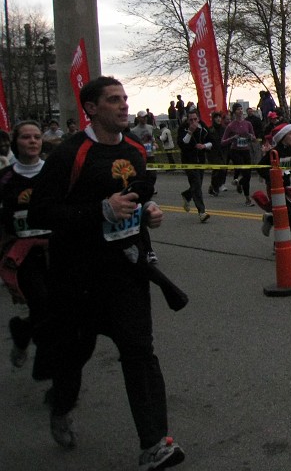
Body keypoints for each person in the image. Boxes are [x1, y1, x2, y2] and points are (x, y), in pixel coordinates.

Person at [27, 76, 184, 468]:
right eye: (114, 100)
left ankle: (155, 444)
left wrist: (149, 213)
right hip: (77, 278)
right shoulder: (70, 155)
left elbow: (141, 196)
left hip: (126, 273)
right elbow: (40, 213)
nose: (123, 105)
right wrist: (99, 211)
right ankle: (61, 407)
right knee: (73, 358)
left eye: (125, 99)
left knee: (140, 352)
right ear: (92, 108)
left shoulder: (134, 150)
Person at [1, 120, 53, 380]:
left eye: (36, 137)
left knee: (56, 309)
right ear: (16, 143)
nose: (32, 141)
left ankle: (22, 332)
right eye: (26, 137)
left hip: (55, 250)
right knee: (42, 305)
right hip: (23, 254)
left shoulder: (55, 173)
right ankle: (48, 369)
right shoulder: (5, 178)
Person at [258, 122, 291, 235]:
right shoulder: (274, 152)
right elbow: (260, 168)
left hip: (287, 187)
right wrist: (272, 177)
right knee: (286, 215)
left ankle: (271, 220)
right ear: (282, 136)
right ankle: (277, 242)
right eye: (290, 134)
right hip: (275, 188)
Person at [176, 109, 212, 223]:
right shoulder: (183, 128)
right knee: (196, 184)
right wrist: (190, 132)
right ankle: (202, 212)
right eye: (190, 120)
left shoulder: (204, 128)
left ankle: (187, 195)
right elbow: (182, 144)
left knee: (197, 184)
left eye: (195, 119)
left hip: (200, 161)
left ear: (199, 119)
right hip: (189, 161)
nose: (193, 122)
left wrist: (204, 146)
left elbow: (212, 142)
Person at [221, 103, 257, 207]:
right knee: (243, 170)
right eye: (238, 109)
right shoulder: (231, 125)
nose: (240, 111)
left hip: (245, 150)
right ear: (234, 112)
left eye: (241, 109)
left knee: (248, 175)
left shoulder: (248, 124)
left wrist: (250, 136)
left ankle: (241, 186)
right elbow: (223, 141)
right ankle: (247, 198)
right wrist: (233, 138)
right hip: (235, 151)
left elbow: (254, 138)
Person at [205, 111, 227, 196]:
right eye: (216, 117)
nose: (218, 119)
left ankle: (213, 186)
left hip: (222, 152)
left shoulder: (224, 129)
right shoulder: (210, 129)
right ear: (213, 119)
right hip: (213, 153)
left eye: (219, 117)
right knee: (218, 169)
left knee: (222, 170)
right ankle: (215, 187)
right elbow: (206, 141)